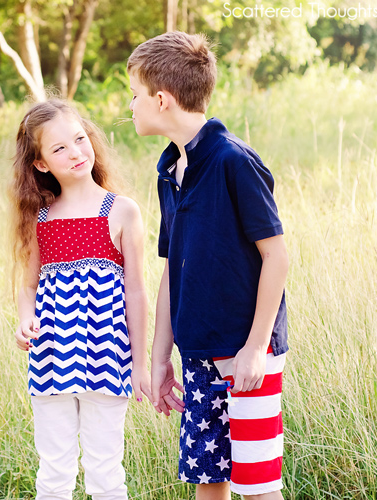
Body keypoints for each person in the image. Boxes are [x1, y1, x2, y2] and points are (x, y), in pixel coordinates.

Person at [127, 32, 290, 500]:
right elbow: (172, 272)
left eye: (134, 96)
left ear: (161, 100)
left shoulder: (232, 161)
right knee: (208, 482)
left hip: (245, 357)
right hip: (197, 358)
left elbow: (276, 256)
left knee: (258, 488)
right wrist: (160, 359)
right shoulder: (169, 172)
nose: (131, 106)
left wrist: (257, 347)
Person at [9, 98, 151, 500]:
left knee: (105, 471)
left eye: (79, 139)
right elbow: (29, 285)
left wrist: (140, 363)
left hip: (108, 358)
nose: (75, 152)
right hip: (52, 358)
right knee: (54, 470)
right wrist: (24, 318)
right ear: (40, 164)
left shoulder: (121, 212)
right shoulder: (41, 218)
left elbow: (137, 291)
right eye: (59, 149)